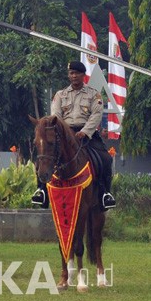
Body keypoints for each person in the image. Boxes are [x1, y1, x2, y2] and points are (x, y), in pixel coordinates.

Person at [32, 61, 115, 209]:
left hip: (86, 133)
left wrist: (85, 132)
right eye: (71, 73)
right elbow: (56, 115)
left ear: (83, 75)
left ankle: (105, 193)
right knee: (43, 156)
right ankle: (41, 191)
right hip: (65, 134)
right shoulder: (60, 95)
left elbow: (96, 115)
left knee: (106, 159)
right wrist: (64, 131)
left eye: (77, 73)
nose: (74, 76)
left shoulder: (93, 94)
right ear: (69, 75)